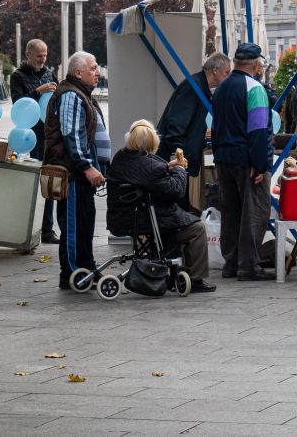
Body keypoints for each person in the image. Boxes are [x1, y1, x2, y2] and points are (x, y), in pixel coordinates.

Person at [106, 120, 216, 293]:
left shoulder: (121, 157)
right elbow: (176, 190)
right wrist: (180, 169)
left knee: (180, 223)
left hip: (122, 219)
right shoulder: (149, 166)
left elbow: (144, 173)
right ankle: (195, 278)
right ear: (152, 143)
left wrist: (167, 166)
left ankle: (174, 271)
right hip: (147, 221)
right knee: (197, 228)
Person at [44, 51, 109, 289]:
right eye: (92, 68)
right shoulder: (71, 95)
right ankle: (72, 273)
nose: (97, 72)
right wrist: (86, 167)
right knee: (73, 226)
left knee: (85, 222)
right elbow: (71, 135)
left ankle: (87, 267)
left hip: (82, 175)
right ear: (78, 72)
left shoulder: (82, 94)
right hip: (72, 174)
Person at [211, 43, 275, 282]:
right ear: (256, 65)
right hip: (246, 160)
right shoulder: (254, 88)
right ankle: (248, 266)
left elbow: (216, 126)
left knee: (231, 213)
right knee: (254, 213)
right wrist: (260, 165)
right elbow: (258, 130)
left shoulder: (221, 87)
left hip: (224, 158)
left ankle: (231, 264)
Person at [9, 39, 60, 244]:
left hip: (51, 134)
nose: (43, 59)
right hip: (30, 136)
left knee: (50, 180)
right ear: (28, 54)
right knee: (32, 181)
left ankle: (48, 229)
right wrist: (38, 91)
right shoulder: (17, 76)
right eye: (39, 55)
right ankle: (27, 226)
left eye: (45, 55)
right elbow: (18, 105)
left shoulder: (49, 73)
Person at [155, 52, 231, 170]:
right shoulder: (194, 87)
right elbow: (176, 125)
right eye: (227, 73)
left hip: (181, 161)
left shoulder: (200, 86)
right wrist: (179, 157)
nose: (228, 77)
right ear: (215, 70)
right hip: (176, 163)